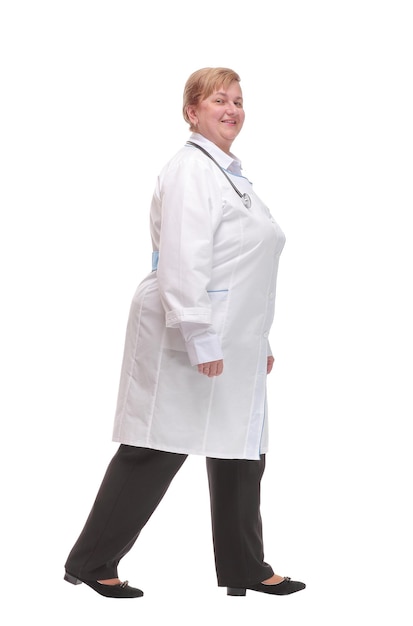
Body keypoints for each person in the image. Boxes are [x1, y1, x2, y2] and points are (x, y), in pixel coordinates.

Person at [64, 67, 306, 599]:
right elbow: (182, 259)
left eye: (239, 100)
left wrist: (256, 340)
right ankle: (91, 560)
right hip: (186, 330)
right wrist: (199, 335)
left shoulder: (232, 176)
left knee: (242, 450)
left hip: (234, 338)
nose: (233, 109)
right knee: (156, 447)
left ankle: (244, 565)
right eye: (219, 99)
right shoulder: (190, 171)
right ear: (192, 112)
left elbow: (242, 268)